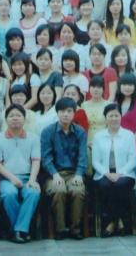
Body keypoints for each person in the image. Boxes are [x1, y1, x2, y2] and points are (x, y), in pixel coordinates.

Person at [0, 105, 42, 243]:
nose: (15, 118)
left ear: (24, 119)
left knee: (33, 193)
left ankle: (17, 230)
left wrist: (32, 180)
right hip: (7, 178)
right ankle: (22, 230)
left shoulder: (33, 138)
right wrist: (13, 178)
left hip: (28, 177)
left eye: (18, 115)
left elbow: (36, 161)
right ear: (6, 119)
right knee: (9, 194)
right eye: (11, 115)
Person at [40, 97, 87, 240]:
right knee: (58, 190)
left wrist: (79, 174)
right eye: (62, 111)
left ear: (74, 113)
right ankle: (60, 229)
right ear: (57, 113)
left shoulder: (80, 132)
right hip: (53, 174)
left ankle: (75, 229)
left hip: (74, 173)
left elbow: (83, 156)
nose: (65, 114)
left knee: (77, 190)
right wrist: (55, 174)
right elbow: (46, 158)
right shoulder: (47, 132)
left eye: (69, 111)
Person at [92, 104, 136, 237]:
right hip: (103, 173)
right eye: (110, 116)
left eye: (116, 115)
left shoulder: (129, 135)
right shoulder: (98, 136)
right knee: (105, 185)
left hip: (125, 173)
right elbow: (95, 161)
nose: (114, 118)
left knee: (120, 184)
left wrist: (119, 173)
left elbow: (132, 160)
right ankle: (119, 220)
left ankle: (111, 222)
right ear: (105, 118)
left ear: (121, 117)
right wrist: (107, 173)